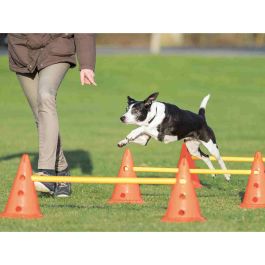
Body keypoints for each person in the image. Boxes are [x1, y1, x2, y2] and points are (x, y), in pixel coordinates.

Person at [8, 33, 96, 197]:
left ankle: (47, 173)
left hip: (56, 47)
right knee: (40, 115)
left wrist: (87, 64)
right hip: (22, 52)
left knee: (46, 95)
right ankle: (62, 171)